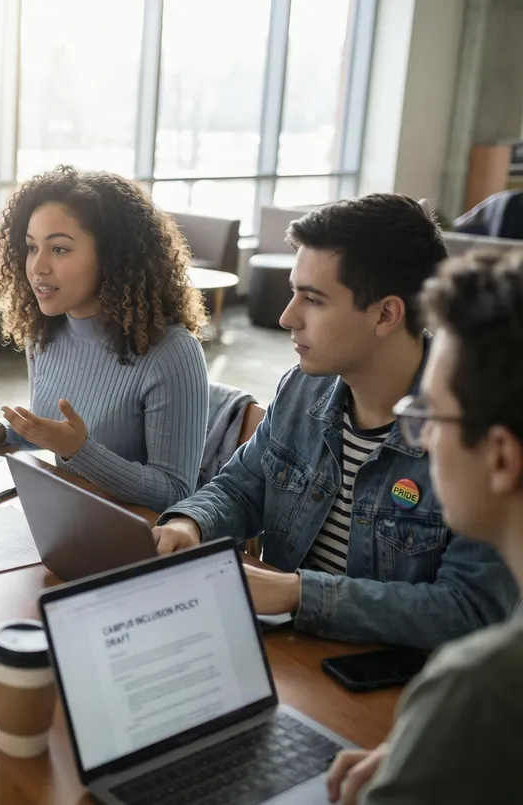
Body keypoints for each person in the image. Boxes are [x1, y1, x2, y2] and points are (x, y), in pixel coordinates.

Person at [152, 194, 517, 649]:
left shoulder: (467, 435)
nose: (288, 317)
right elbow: (243, 486)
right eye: (293, 292)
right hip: (292, 656)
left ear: (386, 314)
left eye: (314, 300)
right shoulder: (303, 388)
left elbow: (470, 609)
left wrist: (300, 593)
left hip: (382, 688)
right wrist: (192, 524)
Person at [326, 249, 523, 804]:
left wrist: (451, 730)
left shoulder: (479, 688)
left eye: (433, 416)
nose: (422, 440)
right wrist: (436, 751)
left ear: (502, 458)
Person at [0, 166, 209, 512]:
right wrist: (2, 434)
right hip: (70, 519)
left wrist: (80, 451)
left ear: (113, 257)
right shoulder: (43, 332)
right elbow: (56, 435)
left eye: (59, 249)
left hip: (134, 541)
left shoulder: (172, 353)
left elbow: (175, 493)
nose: (37, 268)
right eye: (31, 247)